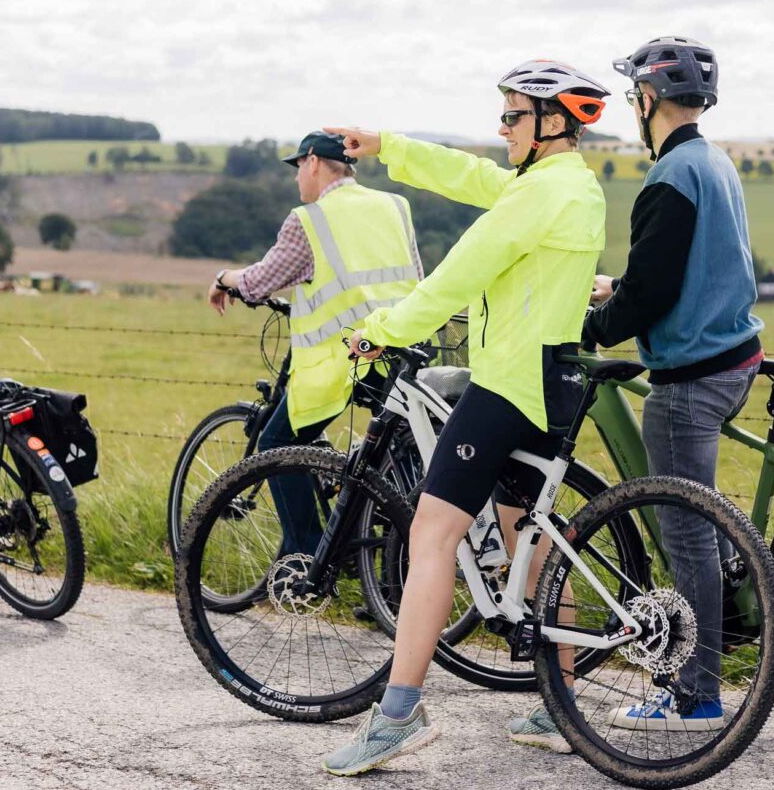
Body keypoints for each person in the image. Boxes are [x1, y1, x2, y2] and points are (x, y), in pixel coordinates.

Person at [319, 59, 609, 776]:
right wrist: (386, 145)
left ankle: (398, 715)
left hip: (508, 386)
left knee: (433, 532)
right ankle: (560, 702)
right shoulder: (564, 184)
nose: (501, 128)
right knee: (528, 535)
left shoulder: (538, 195)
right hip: (553, 380)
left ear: (550, 123)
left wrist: (382, 329)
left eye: (512, 116)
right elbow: (468, 177)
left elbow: (458, 273)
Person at [584, 36, 764, 732]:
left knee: (685, 533)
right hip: (735, 356)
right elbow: (683, 269)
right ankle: (734, 615)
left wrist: (595, 324)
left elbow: (654, 294)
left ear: (648, 100)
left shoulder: (667, 178)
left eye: (635, 94)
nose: (634, 105)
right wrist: (621, 289)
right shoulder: (712, 162)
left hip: (691, 377)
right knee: (704, 519)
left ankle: (697, 696)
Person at [204, 130, 421, 557]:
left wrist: (223, 279)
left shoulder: (310, 220)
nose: (297, 178)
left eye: (298, 167)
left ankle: (306, 556)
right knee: (398, 461)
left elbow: (260, 281)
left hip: (347, 359)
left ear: (314, 163)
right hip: (403, 349)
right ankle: (389, 585)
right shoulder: (396, 206)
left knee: (274, 445)